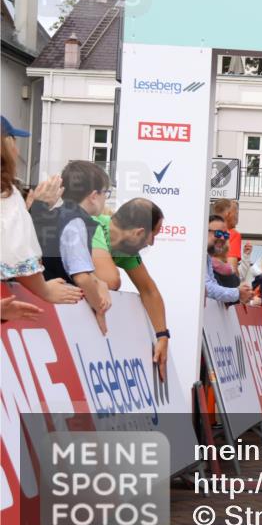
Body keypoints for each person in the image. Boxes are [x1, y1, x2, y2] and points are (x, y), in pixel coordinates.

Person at [1, 117, 83, 306]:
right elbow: (17, 254)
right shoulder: (6, 191)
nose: (18, 151)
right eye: (14, 143)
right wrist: (45, 291)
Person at [89, 198, 172, 379]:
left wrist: (163, 336)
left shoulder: (124, 247)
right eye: (153, 235)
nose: (151, 243)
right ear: (139, 232)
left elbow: (149, 290)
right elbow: (110, 280)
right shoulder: (93, 226)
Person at [32, 160, 113, 333]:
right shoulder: (76, 222)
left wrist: (98, 282)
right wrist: (99, 307)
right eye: (106, 192)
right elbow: (81, 277)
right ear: (93, 196)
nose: (106, 198)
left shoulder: (55, 216)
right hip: (60, 312)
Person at [206, 215, 253, 305]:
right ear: (204, 231)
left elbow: (213, 285)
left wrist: (239, 293)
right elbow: (207, 287)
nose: (223, 238)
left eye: (226, 235)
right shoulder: (196, 256)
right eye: (218, 233)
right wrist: (238, 293)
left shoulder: (206, 258)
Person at [212, 199, 241, 273]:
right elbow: (232, 269)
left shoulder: (206, 231)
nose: (237, 219)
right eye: (236, 214)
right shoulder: (232, 234)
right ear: (228, 214)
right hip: (221, 282)